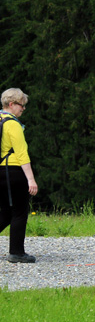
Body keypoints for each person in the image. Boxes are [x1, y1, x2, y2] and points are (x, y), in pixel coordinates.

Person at [0, 88, 38, 263]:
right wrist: (31, 179)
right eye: (21, 105)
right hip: (14, 172)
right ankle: (17, 252)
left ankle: (16, 251)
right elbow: (22, 154)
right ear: (11, 104)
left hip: (0, 172)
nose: (23, 109)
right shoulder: (12, 124)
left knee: (6, 213)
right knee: (19, 212)